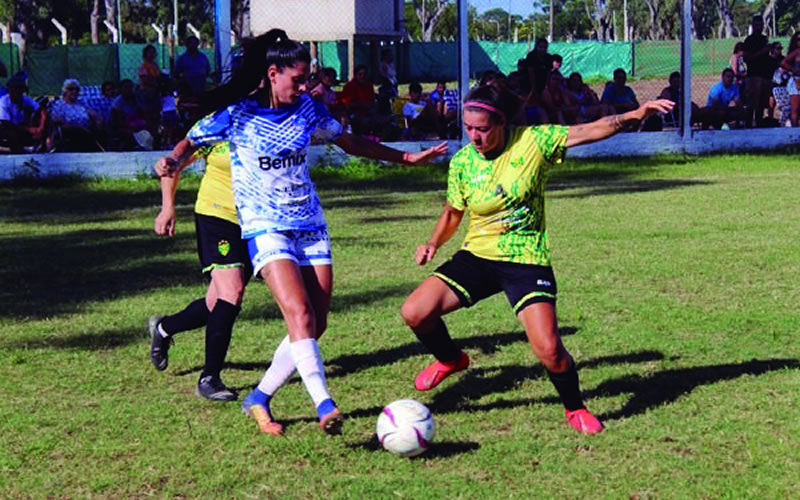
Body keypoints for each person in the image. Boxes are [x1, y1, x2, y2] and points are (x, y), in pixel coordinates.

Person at [155, 29, 447, 436]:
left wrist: (407, 158)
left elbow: (348, 141)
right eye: (297, 78)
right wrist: (171, 162)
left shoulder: (307, 109)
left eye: (307, 78)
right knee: (299, 313)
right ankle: (324, 403)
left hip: (309, 224)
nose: (304, 86)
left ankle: (258, 397)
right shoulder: (236, 114)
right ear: (272, 74)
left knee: (315, 324)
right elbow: (187, 143)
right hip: (266, 228)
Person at [400, 79, 674, 435]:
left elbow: (589, 130)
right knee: (414, 312)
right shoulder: (464, 162)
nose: (474, 137)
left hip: (525, 258)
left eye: (482, 129)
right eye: (467, 128)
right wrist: (433, 243)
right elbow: (454, 212)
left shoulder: (533, 141)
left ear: (502, 124)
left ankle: (574, 408)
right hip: (478, 256)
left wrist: (635, 114)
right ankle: (451, 359)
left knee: (549, 350)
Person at [150, 141, 251, 401]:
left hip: (256, 220)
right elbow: (171, 164)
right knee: (232, 292)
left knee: (215, 303)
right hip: (217, 217)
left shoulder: (269, 118)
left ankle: (163, 328)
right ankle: (210, 378)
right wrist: (167, 207)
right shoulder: (213, 125)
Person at [48, 78, 103, 152]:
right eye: (71, 89)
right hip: (70, 132)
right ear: (65, 91)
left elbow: (93, 114)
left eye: (77, 89)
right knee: (82, 134)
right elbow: (56, 120)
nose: (74, 91)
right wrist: (77, 128)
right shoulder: (59, 104)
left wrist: (98, 120)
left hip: (87, 131)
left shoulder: (81, 103)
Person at [0, 72, 47, 153]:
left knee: (46, 124)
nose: (18, 92)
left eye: (20, 89)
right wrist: (29, 129)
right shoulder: (3, 102)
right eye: (15, 88)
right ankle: (18, 153)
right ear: (9, 90)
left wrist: (41, 127)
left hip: (21, 127)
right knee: (12, 134)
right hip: (7, 129)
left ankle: (44, 149)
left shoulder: (25, 99)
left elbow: (42, 111)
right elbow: (6, 124)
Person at [742, 15, 771, 127]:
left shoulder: (764, 39)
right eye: (757, 25)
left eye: (761, 25)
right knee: (751, 104)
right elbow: (746, 58)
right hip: (754, 75)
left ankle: (759, 125)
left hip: (765, 75)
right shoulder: (749, 40)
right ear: (753, 26)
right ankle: (748, 126)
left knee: (761, 105)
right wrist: (762, 52)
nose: (759, 27)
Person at [781, 32, 800, 126]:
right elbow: (783, 62)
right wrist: (794, 70)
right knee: (795, 109)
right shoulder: (796, 52)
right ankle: (795, 131)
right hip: (797, 82)